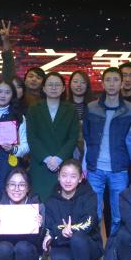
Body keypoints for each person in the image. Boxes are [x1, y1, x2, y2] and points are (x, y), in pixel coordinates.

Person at [81, 67, 131, 234]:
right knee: (94, 214)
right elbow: (86, 137)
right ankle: (96, 247)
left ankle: (114, 247)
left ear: (121, 83)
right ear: (102, 83)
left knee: (118, 215)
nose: (112, 84)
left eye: (115, 80)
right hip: (95, 168)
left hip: (119, 169)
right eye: (108, 80)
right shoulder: (91, 107)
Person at [44, 159, 101, 260]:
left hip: (87, 243)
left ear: (80, 178)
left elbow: (89, 223)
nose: (68, 180)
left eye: (73, 176)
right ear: (58, 176)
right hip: (63, 242)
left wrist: (70, 230)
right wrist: (56, 233)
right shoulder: (51, 200)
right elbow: (50, 225)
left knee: (77, 238)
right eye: (64, 176)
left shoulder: (89, 196)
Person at [25, 72, 80, 202]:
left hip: (64, 164)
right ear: (44, 88)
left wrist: (59, 158)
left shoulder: (71, 109)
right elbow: (32, 137)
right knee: (39, 201)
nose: (54, 88)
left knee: (63, 201)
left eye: (57, 85)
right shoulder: (34, 109)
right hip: (40, 164)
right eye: (50, 84)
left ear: (63, 88)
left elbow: (73, 138)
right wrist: (47, 158)